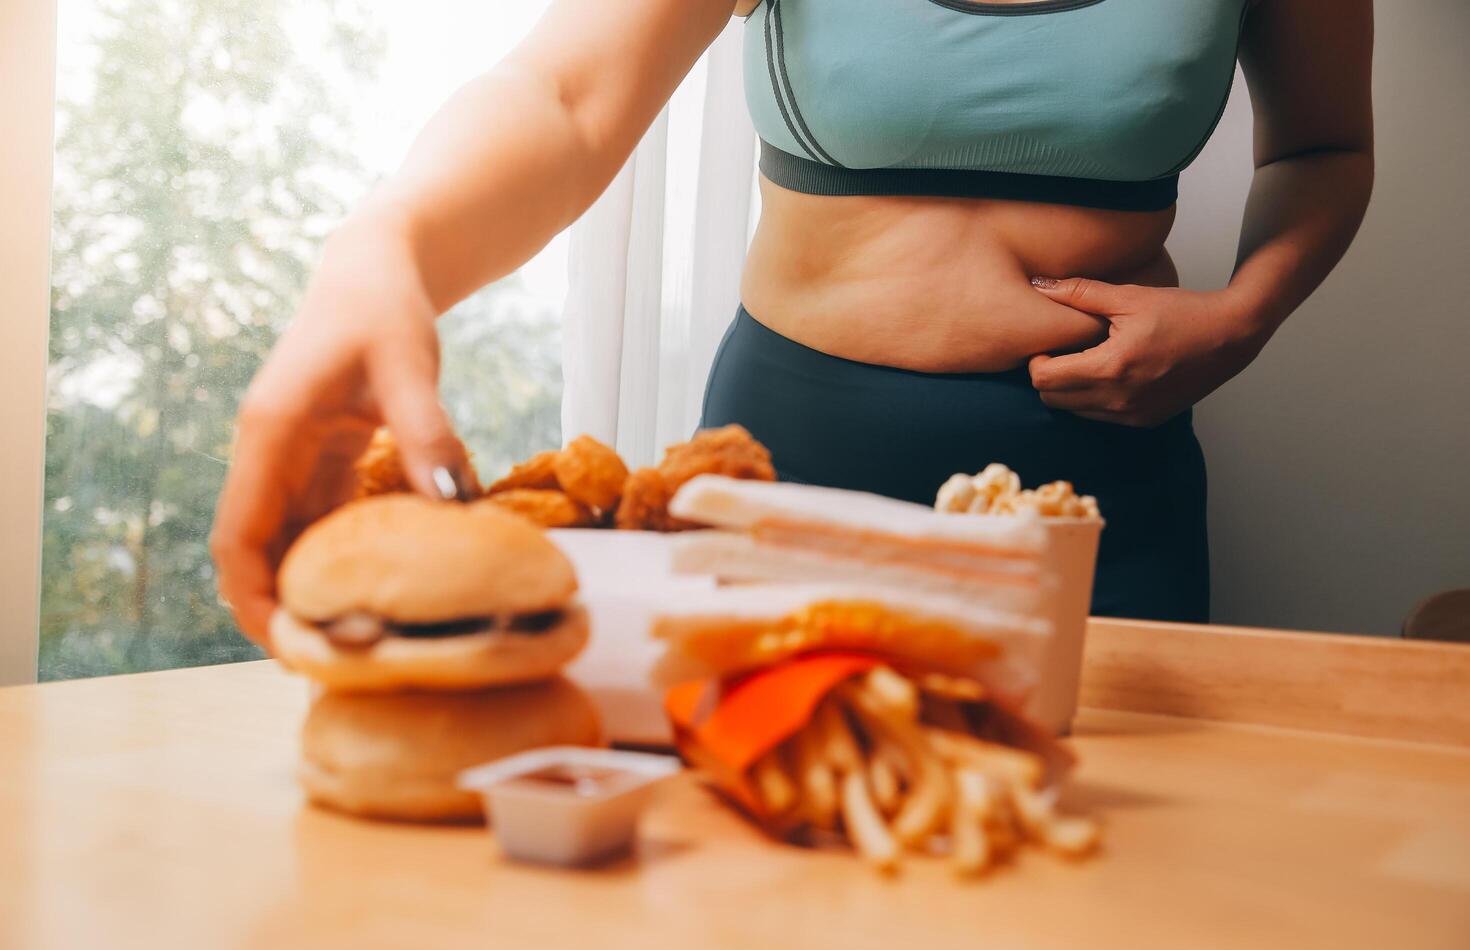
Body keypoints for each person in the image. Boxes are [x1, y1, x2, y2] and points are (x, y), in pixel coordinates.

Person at [211, 0, 1373, 641]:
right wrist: (386, 241)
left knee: (1104, 914)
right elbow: (562, 98)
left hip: (1097, 489)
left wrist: (1243, 316)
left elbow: (1325, 148)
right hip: (790, 465)